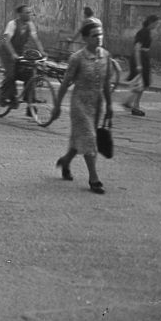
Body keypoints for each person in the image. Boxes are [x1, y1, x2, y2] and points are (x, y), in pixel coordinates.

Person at [54, 22, 114, 194]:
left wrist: (109, 105)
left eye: (100, 34)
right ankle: (94, 179)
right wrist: (57, 105)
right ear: (86, 38)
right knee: (89, 138)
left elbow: (106, 83)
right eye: (94, 35)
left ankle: (65, 161)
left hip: (97, 104)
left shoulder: (106, 56)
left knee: (80, 139)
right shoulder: (77, 58)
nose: (98, 38)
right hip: (80, 104)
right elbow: (66, 83)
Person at [0, 4, 43, 105]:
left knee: (29, 73)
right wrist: (13, 54)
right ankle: (4, 97)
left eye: (30, 13)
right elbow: (6, 40)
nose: (29, 15)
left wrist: (42, 51)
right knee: (11, 75)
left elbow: (36, 39)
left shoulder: (30, 25)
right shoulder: (12, 24)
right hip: (7, 52)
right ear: (20, 14)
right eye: (27, 13)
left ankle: (29, 99)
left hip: (19, 52)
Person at [123, 15, 159, 116]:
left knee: (143, 83)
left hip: (144, 58)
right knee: (141, 83)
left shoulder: (147, 31)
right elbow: (137, 48)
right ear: (151, 22)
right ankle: (133, 104)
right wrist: (139, 64)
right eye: (156, 23)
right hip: (140, 58)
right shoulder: (143, 32)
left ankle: (132, 103)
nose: (156, 25)